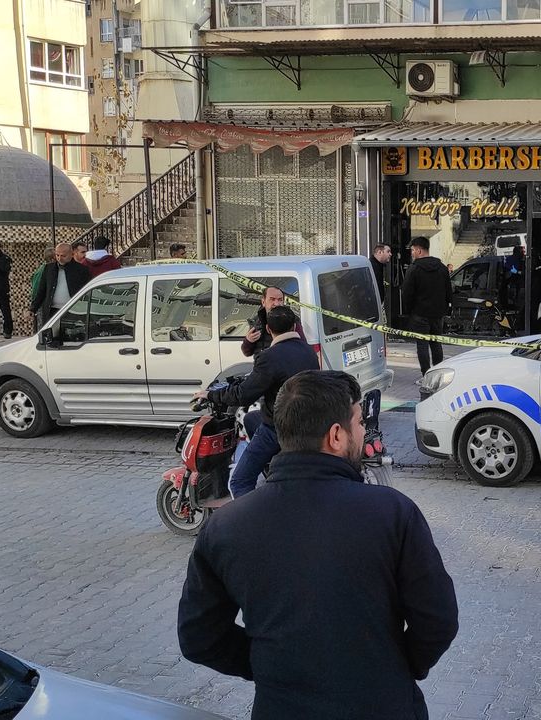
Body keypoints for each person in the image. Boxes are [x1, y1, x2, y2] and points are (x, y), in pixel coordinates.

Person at [178, 370, 458, 720]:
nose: (363, 432)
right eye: (359, 422)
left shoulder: (225, 526)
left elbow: (199, 637)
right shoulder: (393, 513)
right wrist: (398, 667)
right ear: (336, 436)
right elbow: (438, 620)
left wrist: (268, 664)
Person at [198, 305, 318, 498]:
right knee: (250, 418)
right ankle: (272, 466)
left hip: (279, 427)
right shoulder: (308, 351)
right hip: (308, 422)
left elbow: (243, 395)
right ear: (295, 327)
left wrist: (211, 395)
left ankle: (250, 515)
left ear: (268, 329)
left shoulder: (269, 357)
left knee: (239, 481)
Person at [401, 236, 453, 375]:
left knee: (422, 345)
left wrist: (408, 311)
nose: (412, 253)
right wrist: (447, 308)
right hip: (438, 314)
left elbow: (407, 293)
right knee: (436, 343)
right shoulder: (442, 268)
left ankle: (426, 374)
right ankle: (438, 373)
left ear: (419, 250)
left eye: (413, 250)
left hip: (419, 314)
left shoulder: (414, 269)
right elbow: (448, 290)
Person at [31, 242, 91, 326]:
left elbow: (87, 291)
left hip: (73, 311)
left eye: (63, 256)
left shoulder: (82, 270)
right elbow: (41, 290)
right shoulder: (49, 268)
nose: (59, 258)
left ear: (71, 254)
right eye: (57, 255)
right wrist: (32, 309)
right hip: (52, 311)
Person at [241, 286, 305, 358]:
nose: (277, 304)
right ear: (263, 302)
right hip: (261, 362)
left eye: (280, 300)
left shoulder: (292, 320)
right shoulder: (256, 321)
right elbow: (246, 352)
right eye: (272, 299)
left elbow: (302, 347)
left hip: (283, 361)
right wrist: (248, 341)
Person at [28, 246, 55, 333]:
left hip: (39, 300)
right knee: (43, 325)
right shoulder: (45, 270)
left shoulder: (42, 269)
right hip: (41, 301)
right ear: (52, 258)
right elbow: (38, 287)